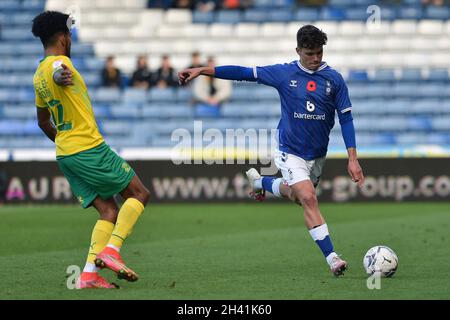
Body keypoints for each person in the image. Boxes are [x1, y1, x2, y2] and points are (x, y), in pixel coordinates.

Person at [178, 25, 365, 277]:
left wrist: (352, 159)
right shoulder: (283, 73)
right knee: (309, 198)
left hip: (318, 154)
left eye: (319, 52)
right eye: (310, 53)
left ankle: (261, 182)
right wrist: (203, 70)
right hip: (290, 150)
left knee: (298, 196)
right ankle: (332, 258)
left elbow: (346, 119)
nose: (315, 58)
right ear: (298, 50)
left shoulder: (334, 79)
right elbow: (243, 73)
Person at [32, 11, 150, 289]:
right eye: (70, 35)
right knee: (139, 193)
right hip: (88, 147)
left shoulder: (38, 73)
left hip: (66, 154)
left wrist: (66, 144)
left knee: (108, 211)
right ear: (63, 37)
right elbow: (59, 71)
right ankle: (112, 250)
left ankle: (87, 275)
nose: (70, 39)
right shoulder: (59, 64)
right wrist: (61, 75)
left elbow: (42, 121)